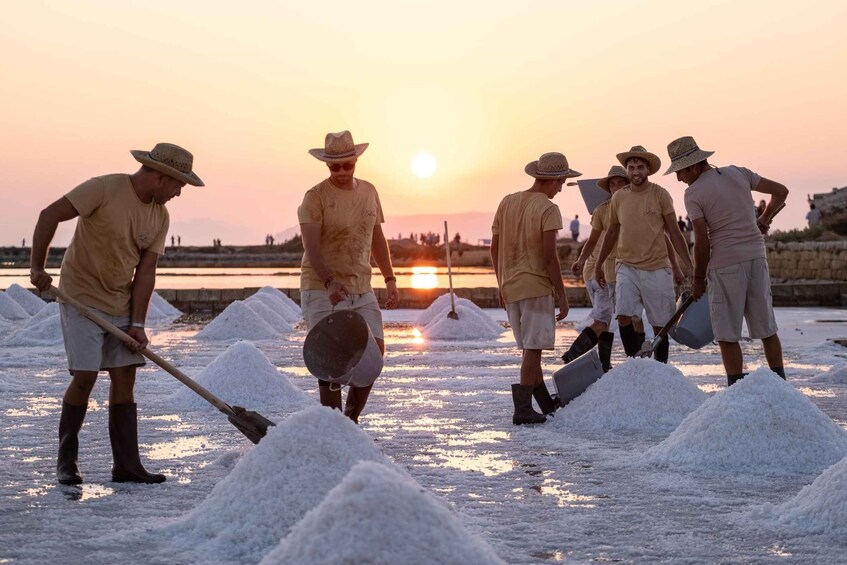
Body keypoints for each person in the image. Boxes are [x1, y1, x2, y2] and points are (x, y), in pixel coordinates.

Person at [29, 142, 203, 485]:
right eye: (178, 185)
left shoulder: (160, 215)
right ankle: (67, 460)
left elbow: (146, 272)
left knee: (125, 377)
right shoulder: (104, 188)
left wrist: (137, 323)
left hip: (120, 302)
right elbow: (49, 215)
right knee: (85, 375)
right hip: (80, 295)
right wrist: (37, 267)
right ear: (159, 176)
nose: (179, 193)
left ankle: (126, 465)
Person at [666, 136, 788, 385]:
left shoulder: (693, 194)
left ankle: (735, 390)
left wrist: (698, 279)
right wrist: (764, 219)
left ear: (693, 166)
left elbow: (702, 241)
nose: (679, 178)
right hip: (756, 256)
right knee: (767, 329)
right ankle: (782, 386)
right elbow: (781, 192)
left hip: (726, 265)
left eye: (679, 172)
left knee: (727, 334)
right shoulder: (738, 173)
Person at [298, 130, 399, 423]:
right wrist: (329, 281)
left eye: (347, 165)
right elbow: (311, 247)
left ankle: (351, 419)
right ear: (327, 165)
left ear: (356, 161)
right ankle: (333, 428)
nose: (341, 171)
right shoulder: (315, 197)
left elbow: (376, 237)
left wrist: (390, 278)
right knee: (331, 360)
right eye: (334, 166)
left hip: (361, 285)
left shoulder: (369, 191)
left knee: (373, 356)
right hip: (322, 286)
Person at [491, 152, 577, 425]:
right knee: (534, 348)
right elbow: (550, 256)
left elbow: (494, 248)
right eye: (562, 183)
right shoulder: (548, 208)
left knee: (531, 347)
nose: (561, 188)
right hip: (536, 285)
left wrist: (500, 282)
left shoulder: (507, 202)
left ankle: (544, 404)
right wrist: (562, 295)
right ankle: (523, 410)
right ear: (555, 180)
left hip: (511, 286)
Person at [594, 146, 693, 363]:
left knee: (661, 323)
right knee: (623, 314)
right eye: (631, 167)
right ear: (626, 170)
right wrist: (598, 263)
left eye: (640, 167)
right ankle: (634, 363)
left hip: (657, 267)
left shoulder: (660, 194)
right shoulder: (619, 197)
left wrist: (688, 267)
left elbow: (674, 233)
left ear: (648, 170)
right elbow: (612, 231)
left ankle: (661, 367)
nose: (635, 171)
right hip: (626, 265)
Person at [566, 166, 629, 372]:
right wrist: (583, 259)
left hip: (597, 271)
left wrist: (581, 260)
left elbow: (593, 241)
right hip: (601, 272)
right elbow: (593, 241)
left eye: (620, 182)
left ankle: (604, 364)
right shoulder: (609, 209)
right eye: (613, 183)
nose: (616, 186)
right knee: (602, 321)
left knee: (605, 318)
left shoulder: (610, 209)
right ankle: (571, 355)